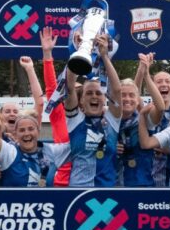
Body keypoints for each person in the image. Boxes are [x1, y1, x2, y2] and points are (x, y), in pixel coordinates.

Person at [63, 34, 123, 187]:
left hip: (107, 192)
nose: (94, 96)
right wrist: (77, 54)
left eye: (98, 93)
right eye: (89, 93)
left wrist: (104, 56)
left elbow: (116, 90)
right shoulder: (75, 119)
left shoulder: (112, 120)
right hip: (78, 191)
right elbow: (70, 88)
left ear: (104, 99)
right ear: (81, 100)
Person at [117, 53, 165, 186]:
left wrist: (145, 73)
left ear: (137, 99)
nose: (127, 99)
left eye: (131, 95)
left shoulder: (143, 119)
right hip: (117, 187)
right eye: (123, 95)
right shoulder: (109, 121)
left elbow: (160, 108)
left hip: (143, 185)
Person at [40, 26, 71, 186]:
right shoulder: (59, 113)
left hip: (84, 182)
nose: (73, 95)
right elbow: (52, 88)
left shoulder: (89, 118)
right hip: (59, 184)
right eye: (70, 91)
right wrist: (47, 54)